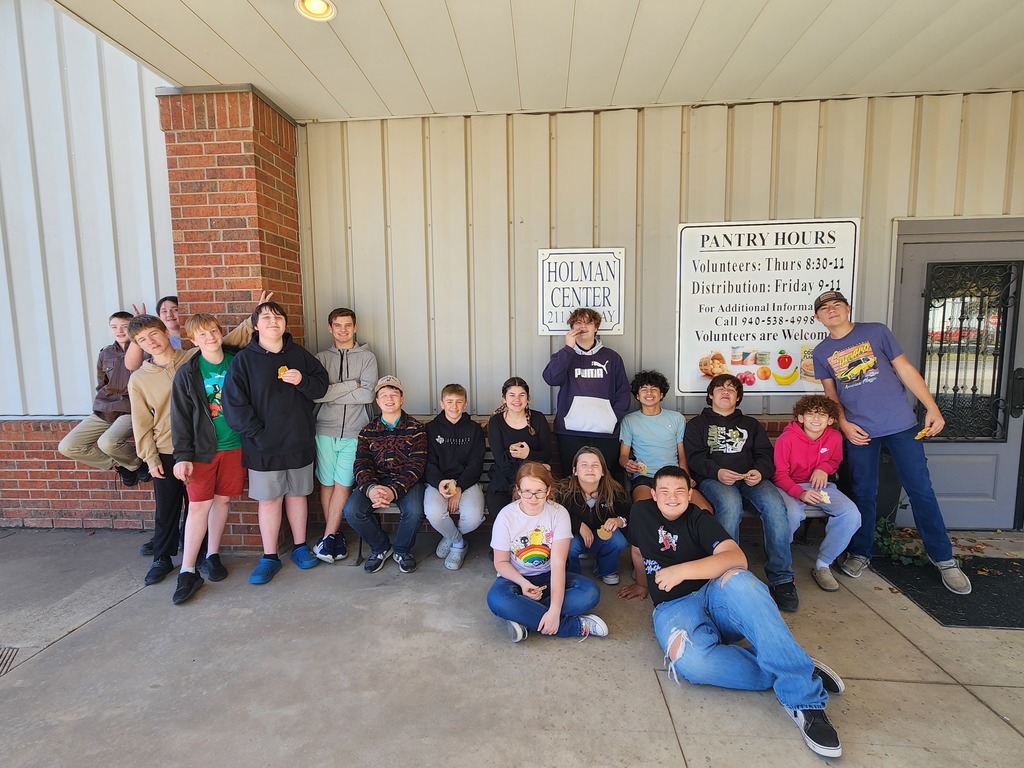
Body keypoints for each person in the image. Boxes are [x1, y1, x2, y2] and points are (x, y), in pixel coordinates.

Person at [617, 466, 845, 758]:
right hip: (673, 608)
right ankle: (790, 660)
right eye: (664, 491)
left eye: (679, 491)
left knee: (741, 582)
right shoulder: (641, 513)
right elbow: (638, 551)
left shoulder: (699, 518)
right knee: (692, 664)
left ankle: (804, 699)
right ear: (653, 494)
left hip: (715, 596)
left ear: (690, 494)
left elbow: (736, 557)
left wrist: (681, 571)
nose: (672, 498)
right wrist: (641, 584)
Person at [812, 290, 972, 594]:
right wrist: (843, 424)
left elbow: (906, 370)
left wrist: (932, 407)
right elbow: (831, 395)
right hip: (860, 432)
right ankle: (861, 553)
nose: (831, 310)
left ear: (848, 308)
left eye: (836, 305)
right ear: (817, 317)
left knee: (920, 489)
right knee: (863, 492)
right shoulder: (821, 352)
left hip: (901, 424)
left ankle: (944, 559)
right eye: (824, 308)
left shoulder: (876, 332)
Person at [222, 301, 329, 585]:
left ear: (285, 324)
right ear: (256, 326)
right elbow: (233, 403)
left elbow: (321, 385)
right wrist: (257, 432)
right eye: (266, 317)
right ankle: (269, 556)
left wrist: (302, 380)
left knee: (298, 495)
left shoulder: (299, 355)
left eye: (278, 317)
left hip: (298, 442)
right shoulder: (244, 360)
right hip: (262, 446)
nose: (273, 321)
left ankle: (300, 547)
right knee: (269, 501)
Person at [683, 373, 799, 612]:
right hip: (715, 479)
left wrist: (760, 471)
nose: (726, 392)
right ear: (710, 395)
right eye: (720, 388)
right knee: (730, 503)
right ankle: (728, 573)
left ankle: (782, 578)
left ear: (738, 397)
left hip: (751, 479)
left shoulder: (751, 425)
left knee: (775, 506)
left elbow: (765, 455)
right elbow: (694, 458)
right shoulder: (697, 425)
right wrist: (717, 472)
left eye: (732, 389)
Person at [168, 314, 247, 604]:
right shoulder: (188, 372)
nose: (209, 338)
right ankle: (188, 570)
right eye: (202, 335)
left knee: (223, 500)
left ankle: (212, 555)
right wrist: (182, 455)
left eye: (213, 331)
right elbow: (180, 417)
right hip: (202, 450)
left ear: (220, 332)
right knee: (199, 506)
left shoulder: (238, 361)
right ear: (192, 339)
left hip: (235, 445)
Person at [486, 461, 608, 642]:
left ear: (548, 490)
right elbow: (501, 562)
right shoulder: (506, 516)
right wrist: (523, 582)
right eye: (527, 492)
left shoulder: (559, 514)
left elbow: (558, 563)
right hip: (515, 578)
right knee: (496, 599)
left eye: (539, 492)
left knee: (589, 592)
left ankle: (524, 618)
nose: (533, 498)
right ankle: (572, 626)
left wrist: (555, 610)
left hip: (549, 575)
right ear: (518, 490)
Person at [772, 395, 861, 592]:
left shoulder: (834, 437)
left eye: (822, 415)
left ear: (830, 420)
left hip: (820, 485)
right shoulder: (786, 439)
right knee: (791, 514)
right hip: (789, 485)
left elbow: (834, 460)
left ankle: (823, 564)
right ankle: (780, 560)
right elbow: (779, 475)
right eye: (811, 414)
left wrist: (824, 468)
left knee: (851, 514)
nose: (816, 419)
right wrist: (800, 493)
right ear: (800, 418)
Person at [312, 307, 378, 564]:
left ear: (355, 327)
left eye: (347, 325)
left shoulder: (368, 358)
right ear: (330, 328)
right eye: (337, 325)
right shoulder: (319, 358)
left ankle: (328, 535)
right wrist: (352, 384)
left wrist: (334, 391)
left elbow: (368, 395)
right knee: (327, 483)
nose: (343, 330)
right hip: (324, 429)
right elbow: (317, 394)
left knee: (343, 483)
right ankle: (334, 534)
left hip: (355, 430)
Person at [343, 376, 427, 574]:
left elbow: (416, 465)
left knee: (414, 512)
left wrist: (393, 491)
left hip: (407, 482)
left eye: (394, 395)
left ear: (402, 399)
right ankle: (380, 547)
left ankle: (401, 550)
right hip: (376, 482)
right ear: (377, 401)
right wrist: (372, 489)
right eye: (384, 396)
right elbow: (361, 463)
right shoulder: (367, 431)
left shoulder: (416, 429)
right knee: (352, 511)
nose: (390, 399)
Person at [58, 311, 148, 488]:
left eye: (124, 326)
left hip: (131, 409)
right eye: (114, 327)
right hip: (105, 409)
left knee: (108, 442)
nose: (119, 331)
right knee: (68, 446)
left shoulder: (145, 351)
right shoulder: (106, 353)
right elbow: (102, 383)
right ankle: (122, 465)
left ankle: (137, 464)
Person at [542, 307, 630, 480]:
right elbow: (551, 378)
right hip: (571, 431)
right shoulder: (564, 355)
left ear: (596, 327)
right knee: (573, 478)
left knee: (605, 479)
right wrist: (568, 348)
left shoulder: (612, 358)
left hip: (605, 431)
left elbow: (623, 392)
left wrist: (612, 418)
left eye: (588, 322)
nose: (583, 326)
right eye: (578, 322)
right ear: (572, 327)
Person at [618, 369, 710, 509]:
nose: (649, 393)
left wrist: (686, 477)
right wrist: (627, 464)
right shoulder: (630, 420)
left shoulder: (676, 418)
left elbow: (682, 455)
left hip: (674, 475)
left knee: (704, 510)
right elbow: (623, 456)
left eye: (654, 389)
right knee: (643, 509)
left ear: (661, 394)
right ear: (637, 395)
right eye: (644, 389)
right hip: (645, 478)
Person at [424, 383, 486, 570]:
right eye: (449, 401)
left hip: (467, 482)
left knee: (474, 518)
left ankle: (449, 536)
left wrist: (459, 487)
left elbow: (476, 462)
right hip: (438, 482)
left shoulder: (474, 429)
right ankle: (459, 544)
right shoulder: (431, 429)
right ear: (441, 403)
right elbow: (428, 461)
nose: (454, 406)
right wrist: (441, 483)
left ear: (465, 404)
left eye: (459, 402)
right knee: (434, 514)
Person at [557, 447, 630, 585]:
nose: (590, 469)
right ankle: (573, 574)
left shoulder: (614, 490)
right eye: (584, 465)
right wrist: (578, 525)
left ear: (603, 471)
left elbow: (628, 513)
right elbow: (555, 516)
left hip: (601, 537)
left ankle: (606, 568)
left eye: (595, 465)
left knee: (619, 540)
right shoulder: (563, 491)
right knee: (569, 545)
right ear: (575, 471)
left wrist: (619, 520)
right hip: (576, 537)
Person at [486, 377, 552, 515]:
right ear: (504, 399)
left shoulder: (538, 419)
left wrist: (528, 455)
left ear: (528, 399)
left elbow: (547, 455)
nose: (517, 399)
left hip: (534, 480)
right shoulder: (496, 422)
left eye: (522, 395)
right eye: (512, 395)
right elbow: (500, 460)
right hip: (504, 479)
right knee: (499, 514)